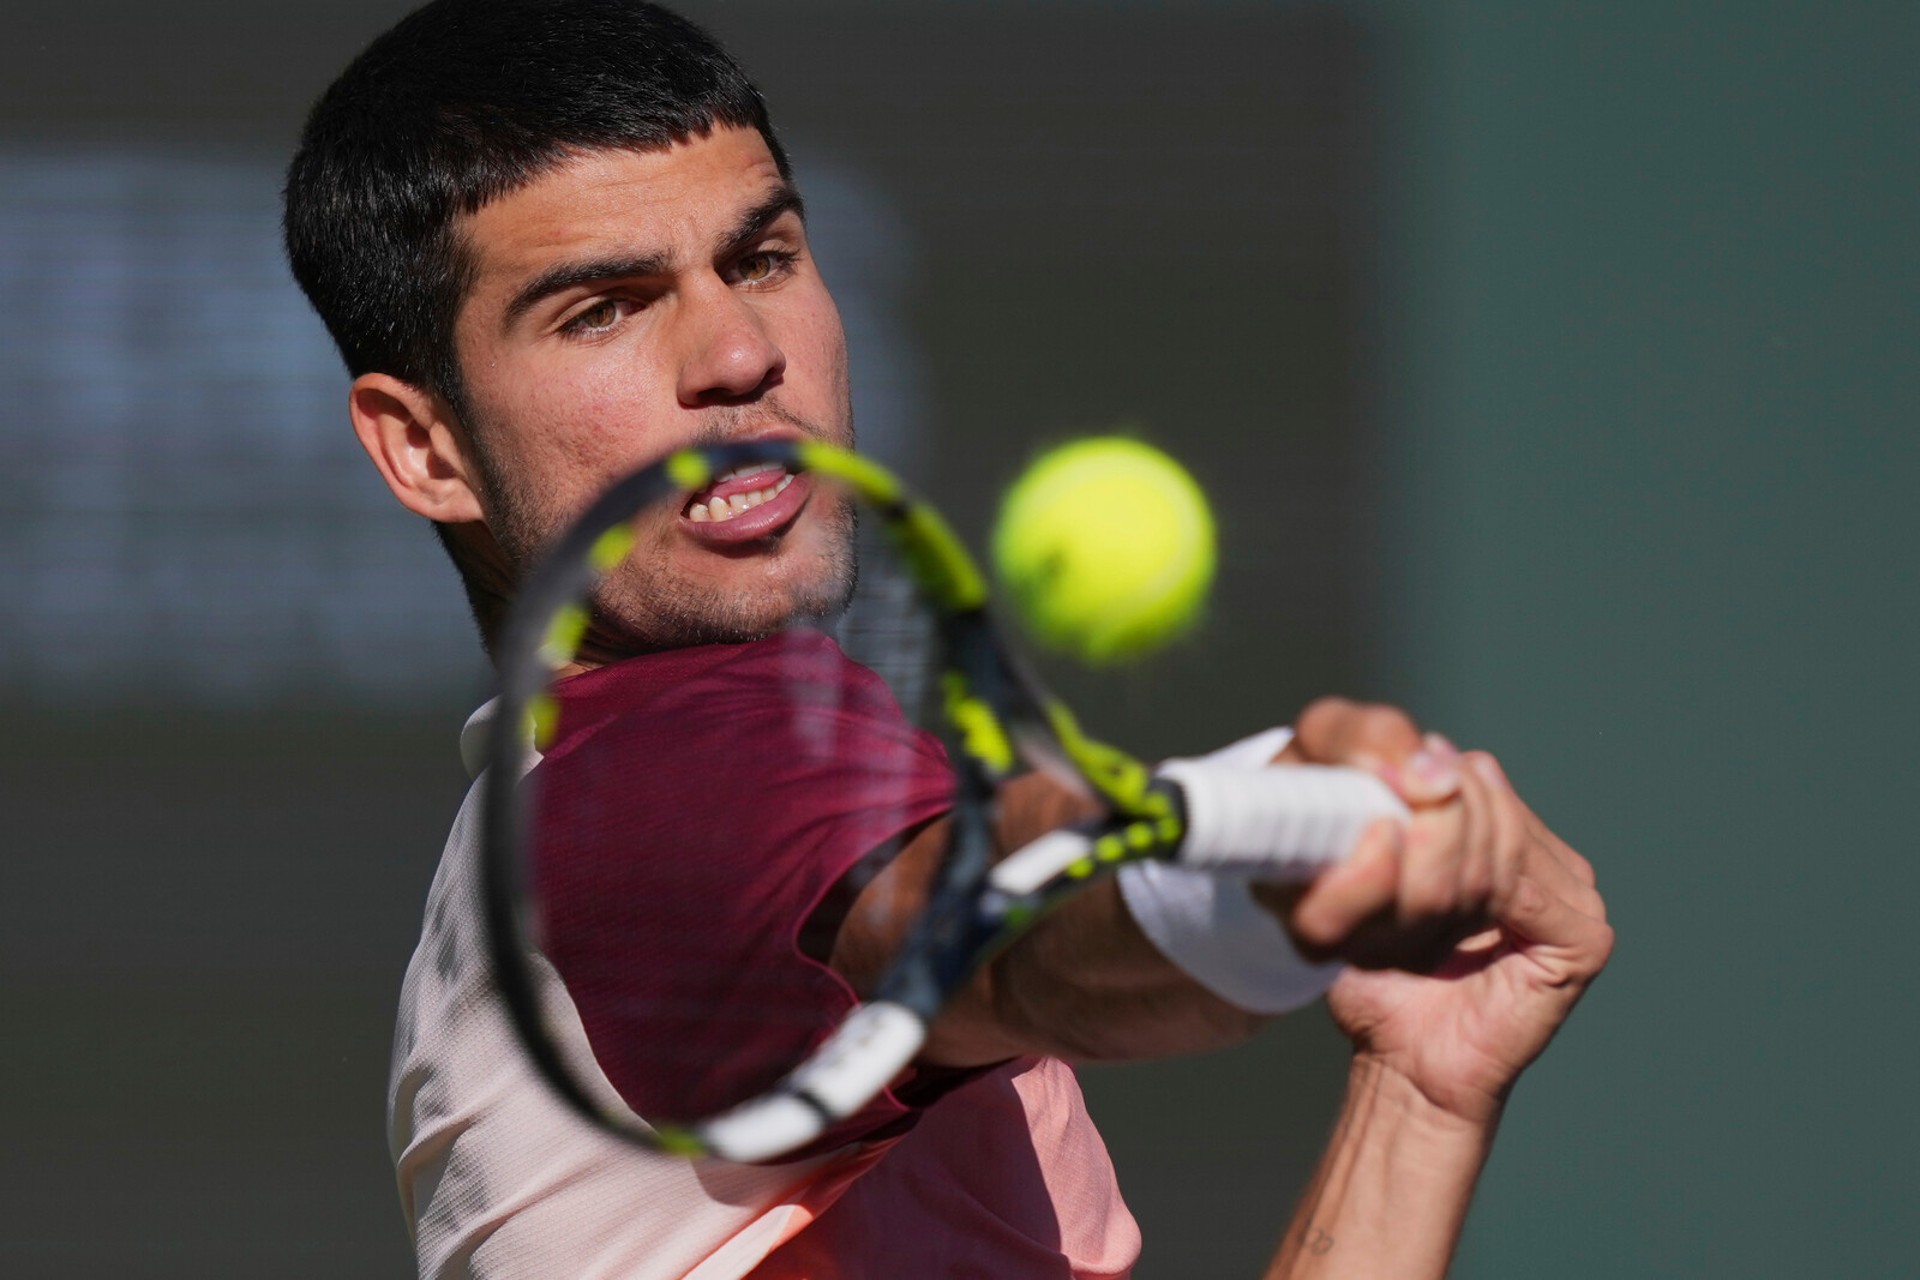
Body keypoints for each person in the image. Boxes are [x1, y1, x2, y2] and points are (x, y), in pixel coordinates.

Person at [283, 2, 1613, 1276]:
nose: (740, 352)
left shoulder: (554, 835)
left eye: (761, 260)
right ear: (425, 445)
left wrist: (1418, 1097)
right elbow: (993, 919)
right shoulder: (659, 770)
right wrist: (1259, 856)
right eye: (605, 308)